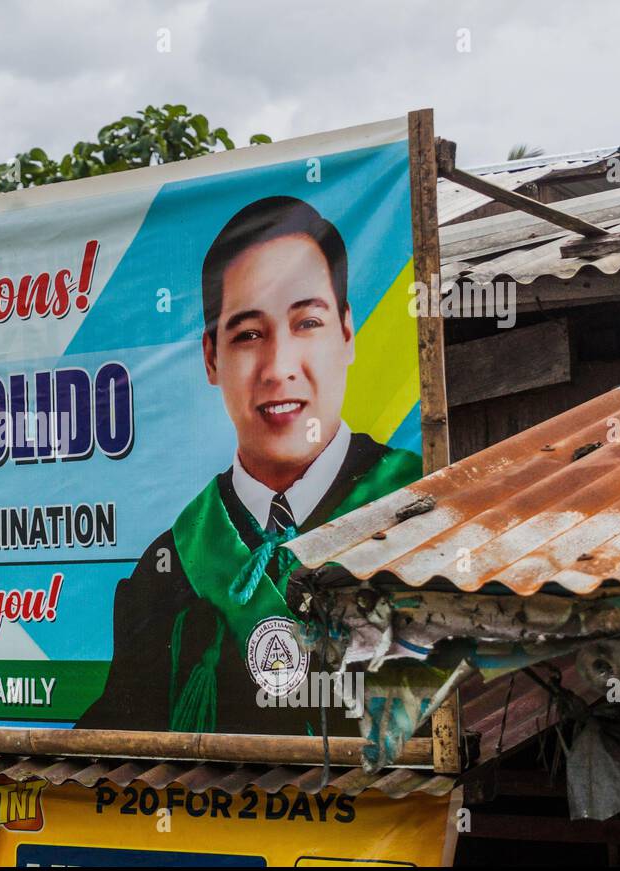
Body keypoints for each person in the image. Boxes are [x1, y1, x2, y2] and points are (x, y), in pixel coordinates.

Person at [77, 196, 421, 735]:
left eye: (307, 322)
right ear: (212, 357)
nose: (279, 368)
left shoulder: (417, 520)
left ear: (347, 333)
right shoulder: (169, 569)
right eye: (249, 335)